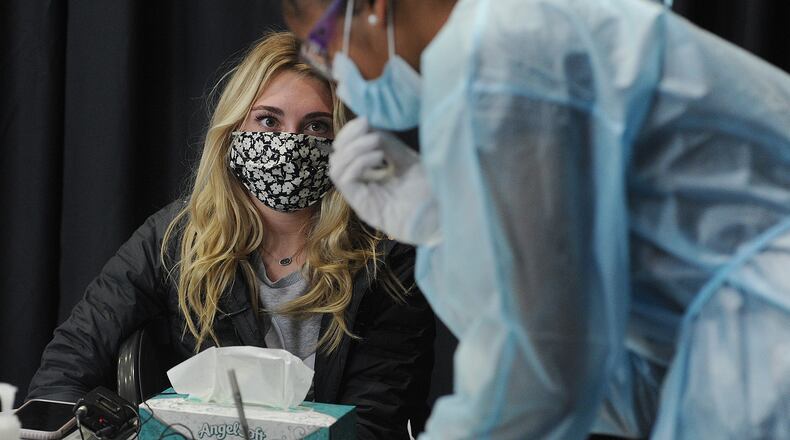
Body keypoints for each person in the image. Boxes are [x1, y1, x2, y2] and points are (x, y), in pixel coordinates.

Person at [282, 0, 790, 439]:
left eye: (323, 46)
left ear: (371, 7)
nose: (339, 78)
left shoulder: (493, 59)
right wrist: (449, 233)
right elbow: (594, 365)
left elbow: (540, 373)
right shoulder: (516, 38)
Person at [27, 31, 436, 439]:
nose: (288, 144)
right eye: (268, 120)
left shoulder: (385, 257)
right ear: (235, 125)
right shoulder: (177, 237)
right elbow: (67, 365)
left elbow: (373, 422)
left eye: (315, 126)